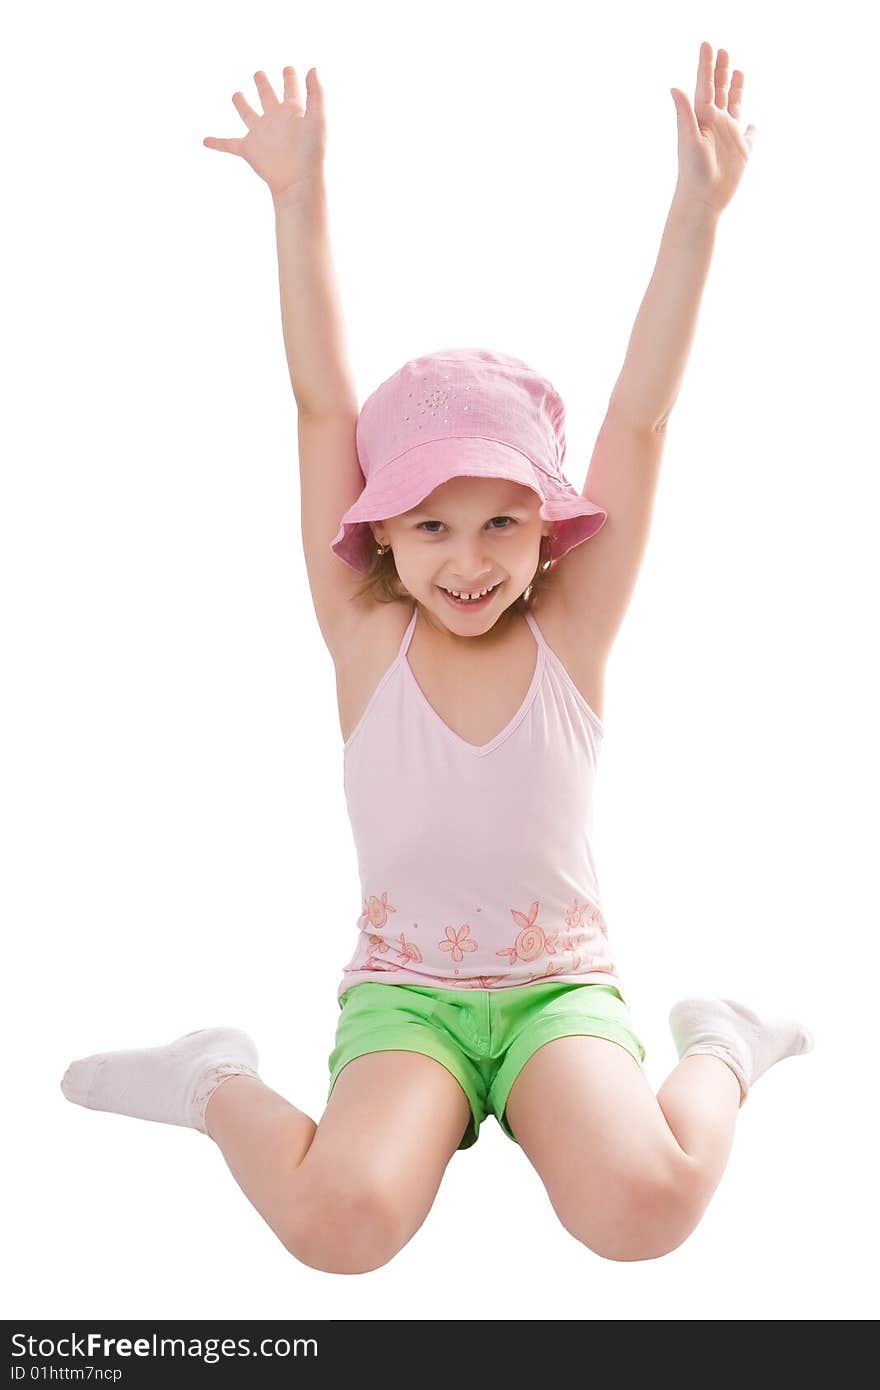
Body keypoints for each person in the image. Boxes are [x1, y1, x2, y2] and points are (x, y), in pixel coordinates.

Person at [60, 44, 813, 1274]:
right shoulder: (366, 635)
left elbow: (638, 415)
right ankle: (212, 1080)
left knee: (647, 1208)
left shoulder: (574, 630)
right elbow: (320, 407)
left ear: (546, 531)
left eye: (502, 522)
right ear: (386, 538)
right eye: (431, 526)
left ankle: (722, 1045)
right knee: (339, 1229)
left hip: (559, 993)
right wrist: (298, 204)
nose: (468, 560)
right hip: (407, 997)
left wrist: (695, 215)